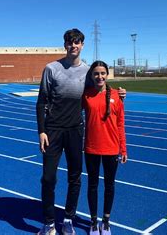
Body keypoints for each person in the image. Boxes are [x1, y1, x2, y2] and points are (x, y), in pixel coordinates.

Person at [36, 29, 125, 235]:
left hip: (76, 131)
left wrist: (120, 94)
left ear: (82, 45)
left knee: (75, 177)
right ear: (65, 44)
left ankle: (68, 219)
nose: (73, 45)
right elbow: (41, 102)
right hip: (53, 131)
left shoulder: (87, 72)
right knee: (48, 178)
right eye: (70, 42)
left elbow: (100, 88)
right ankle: (49, 223)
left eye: (77, 42)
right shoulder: (51, 69)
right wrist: (41, 131)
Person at [82, 61, 127, 235]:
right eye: (96, 74)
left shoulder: (117, 95)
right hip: (92, 148)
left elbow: (121, 124)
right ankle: (93, 221)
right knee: (92, 185)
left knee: (110, 185)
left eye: (102, 73)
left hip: (112, 148)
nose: (99, 76)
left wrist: (123, 149)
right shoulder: (85, 95)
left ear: (107, 75)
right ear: (91, 76)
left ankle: (106, 221)